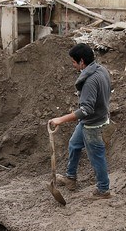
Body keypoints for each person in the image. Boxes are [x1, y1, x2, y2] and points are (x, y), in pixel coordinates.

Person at [48, 43, 113, 199]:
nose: (73, 65)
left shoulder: (90, 81)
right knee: (74, 144)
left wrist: (60, 119)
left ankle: (103, 190)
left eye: (73, 62)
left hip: (93, 124)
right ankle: (70, 178)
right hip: (92, 119)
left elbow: (85, 110)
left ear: (82, 61)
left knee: (97, 157)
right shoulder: (101, 69)